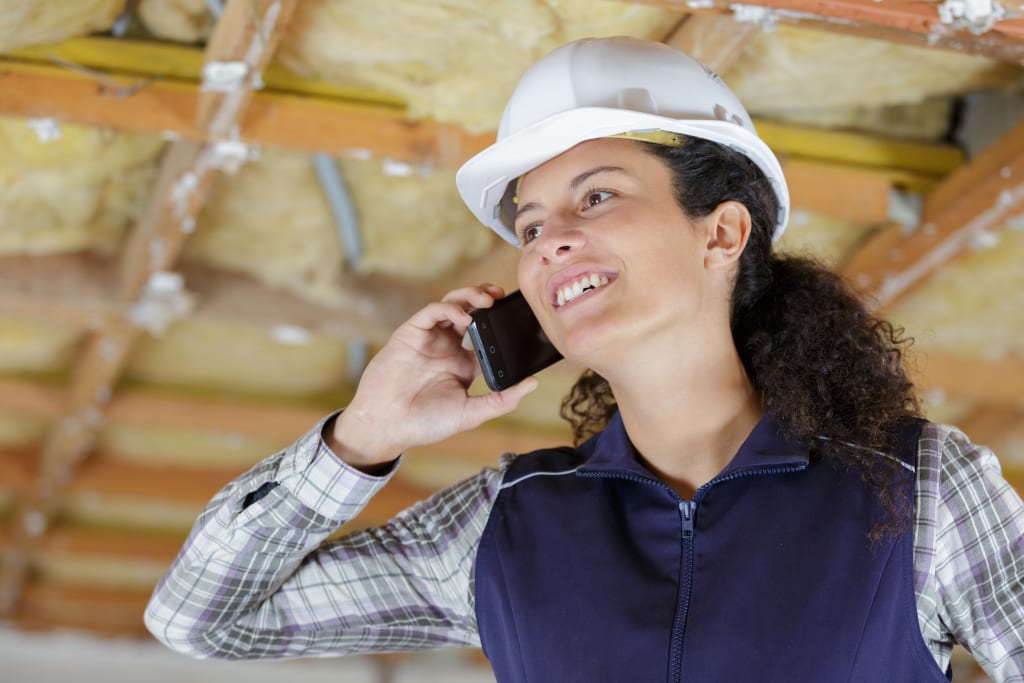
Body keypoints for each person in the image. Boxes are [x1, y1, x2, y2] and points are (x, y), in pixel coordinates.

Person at [145, 37, 1024, 681]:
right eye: (529, 226)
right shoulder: (504, 524)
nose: (549, 242)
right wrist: (359, 441)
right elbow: (203, 617)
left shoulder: (922, 492)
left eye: (596, 196)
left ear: (721, 230)